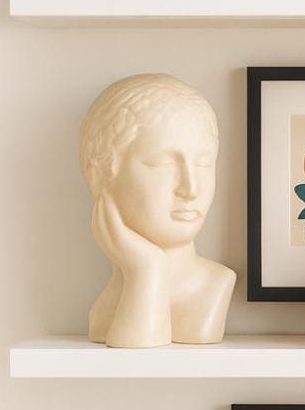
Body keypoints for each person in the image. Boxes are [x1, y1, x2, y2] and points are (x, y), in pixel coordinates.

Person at [79, 74, 235, 347]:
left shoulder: (216, 286)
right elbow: (138, 356)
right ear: (100, 175)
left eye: (204, 163)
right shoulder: (105, 312)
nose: (190, 188)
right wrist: (147, 270)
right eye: (161, 164)